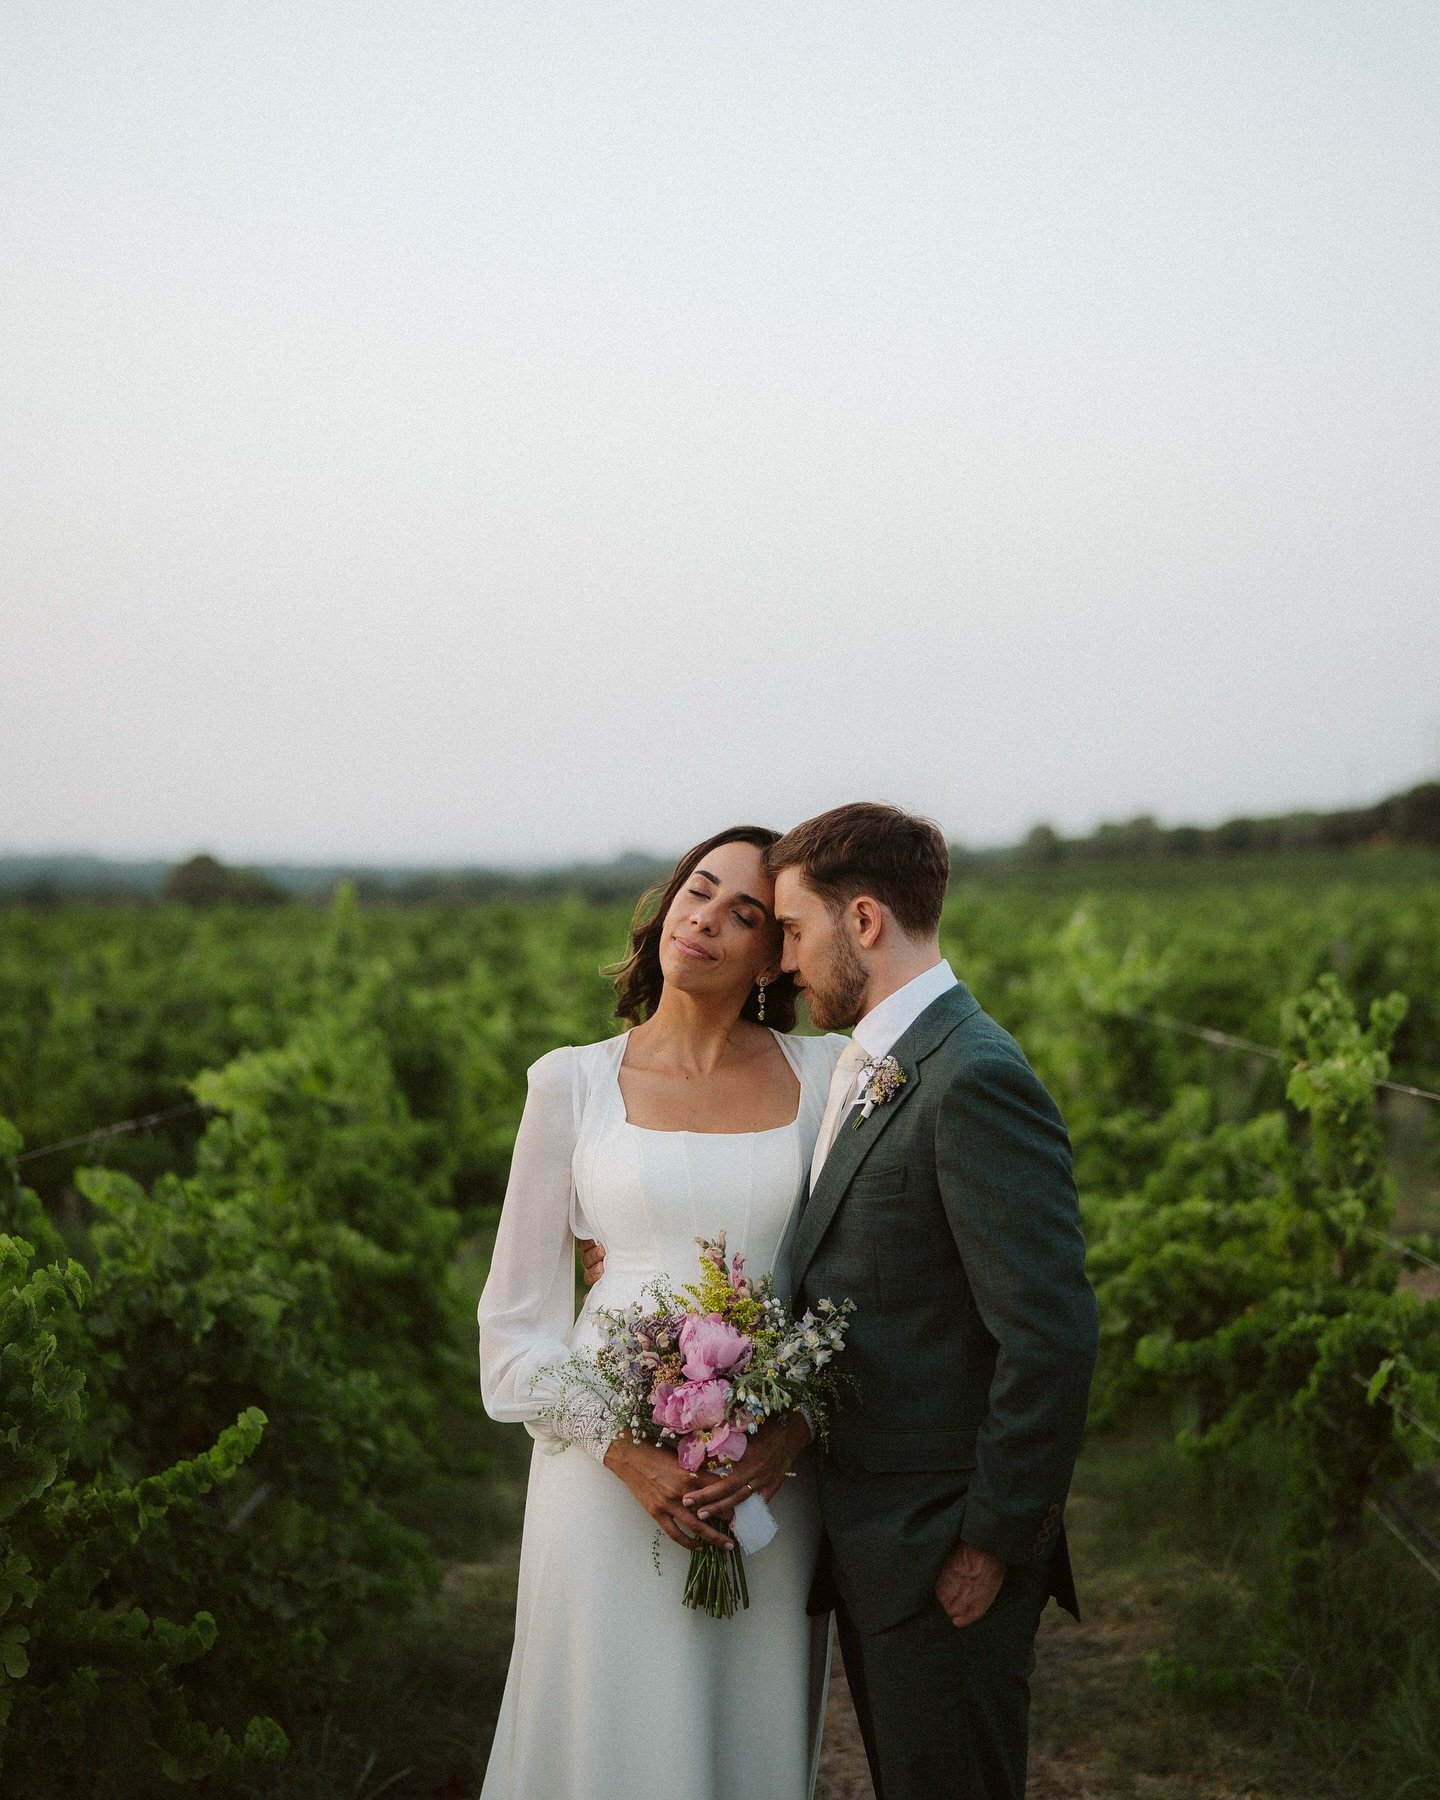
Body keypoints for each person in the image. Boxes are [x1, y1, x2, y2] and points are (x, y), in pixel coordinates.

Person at [685, 801, 1099, 1800]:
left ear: (863, 921)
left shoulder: (972, 1079)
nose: (778, 963)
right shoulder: (877, 1064)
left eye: (790, 930)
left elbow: (1049, 1336)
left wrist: (991, 1544)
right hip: (884, 1549)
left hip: (944, 1557)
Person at [476, 825, 847, 1800]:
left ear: (778, 951)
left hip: (772, 1475)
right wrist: (626, 1453)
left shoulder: (828, 1079)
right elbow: (513, 1331)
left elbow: (867, 1287)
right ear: (667, 903)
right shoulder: (571, 1083)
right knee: (606, 1725)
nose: (708, 919)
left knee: (746, 1723)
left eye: (747, 913)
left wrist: (790, 1433)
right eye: (699, 889)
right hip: (602, 1473)